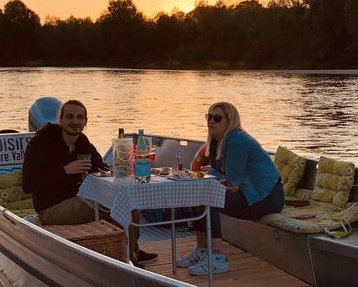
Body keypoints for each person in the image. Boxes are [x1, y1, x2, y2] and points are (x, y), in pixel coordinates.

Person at [22, 99, 157, 266]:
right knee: (113, 206)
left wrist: (116, 171)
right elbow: (27, 184)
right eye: (70, 117)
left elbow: (101, 168)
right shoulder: (41, 143)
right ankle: (126, 257)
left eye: (80, 117)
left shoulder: (83, 143)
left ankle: (132, 251)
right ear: (61, 120)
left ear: (86, 121)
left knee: (128, 201)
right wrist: (65, 170)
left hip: (81, 199)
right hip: (51, 208)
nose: (75, 122)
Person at [179, 102, 284, 275]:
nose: (211, 121)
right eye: (209, 117)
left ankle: (217, 258)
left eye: (217, 118)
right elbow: (225, 179)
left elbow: (232, 183)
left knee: (209, 199)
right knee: (197, 195)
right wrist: (210, 174)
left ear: (229, 121)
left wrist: (211, 171)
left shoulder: (236, 140)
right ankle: (202, 250)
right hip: (248, 193)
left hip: (266, 197)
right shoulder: (215, 142)